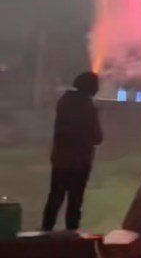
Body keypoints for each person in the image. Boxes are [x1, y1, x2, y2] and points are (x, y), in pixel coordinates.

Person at [42, 71, 103, 231]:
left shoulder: (64, 101)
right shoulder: (88, 107)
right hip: (80, 161)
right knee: (75, 202)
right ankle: (71, 235)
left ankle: (45, 231)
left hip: (60, 159)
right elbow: (97, 138)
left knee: (55, 197)